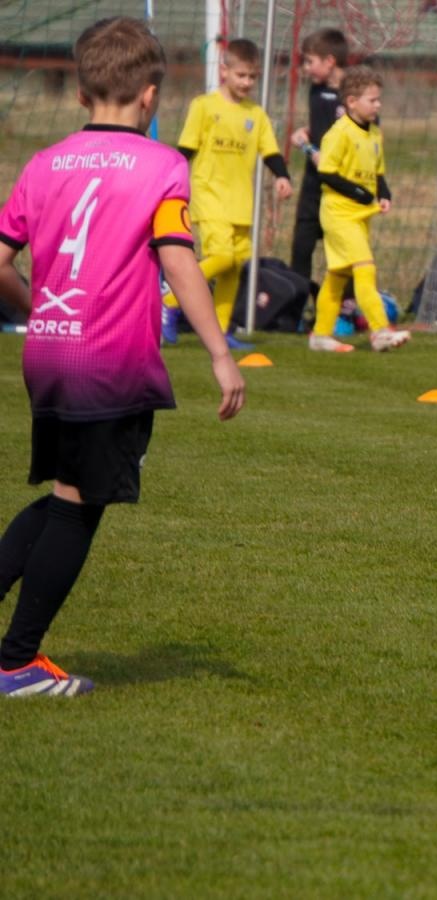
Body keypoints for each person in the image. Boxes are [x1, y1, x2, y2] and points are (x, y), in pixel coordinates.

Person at [0, 17, 246, 697]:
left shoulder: (44, 163)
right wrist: (220, 354)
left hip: (47, 353)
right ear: (150, 95)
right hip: (108, 359)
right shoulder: (162, 166)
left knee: (64, 493)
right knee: (79, 504)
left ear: (81, 93)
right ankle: (16, 662)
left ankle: (13, 658)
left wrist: (36, 309)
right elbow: (178, 260)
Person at [163, 38, 294, 350]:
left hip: (240, 203)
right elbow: (186, 149)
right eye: (241, 75)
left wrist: (282, 176)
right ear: (224, 71)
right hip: (210, 196)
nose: (247, 82)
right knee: (221, 257)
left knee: (234, 267)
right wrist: (167, 181)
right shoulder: (204, 106)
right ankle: (167, 302)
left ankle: (220, 330)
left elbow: (270, 151)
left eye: (252, 77)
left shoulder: (256, 114)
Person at [307, 65, 410, 353]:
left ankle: (320, 335)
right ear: (352, 102)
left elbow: (378, 172)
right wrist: (359, 192)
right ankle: (380, 331)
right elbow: (327, 172)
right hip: (338, 214)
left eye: (379, 100)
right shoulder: (339, 133)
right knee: (365, 267)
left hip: (361, 215)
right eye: (372, 100)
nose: (378, 105)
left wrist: (384, 193)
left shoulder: (374, 133)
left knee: (337, 275)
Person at [287, 28, 349, 284]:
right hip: (313, 185)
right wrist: (309, 131)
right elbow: (326, 127)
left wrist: (305, 146)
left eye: (310, 61)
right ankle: (297, 298)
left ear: (330, 61)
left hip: (341, 185)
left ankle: (347, 302)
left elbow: (326, 157)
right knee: (302, 245)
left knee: (343, 252)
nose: (305, 67)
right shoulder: (316, 90)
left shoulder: (354, 95)